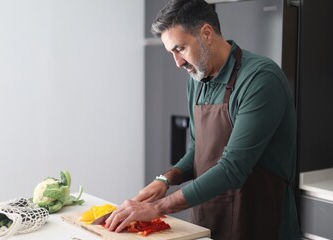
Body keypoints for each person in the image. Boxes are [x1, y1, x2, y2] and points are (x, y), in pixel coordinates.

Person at [105, 0, 300, 239]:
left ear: (206, 33)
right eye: (171, 53)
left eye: (180, 49)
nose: (177, 63)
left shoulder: (260, 79)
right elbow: (198, 149)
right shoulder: (197, 80)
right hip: (210, 221)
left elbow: (233, 168)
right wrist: (166, 179)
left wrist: (156, 208)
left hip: (261, 222)